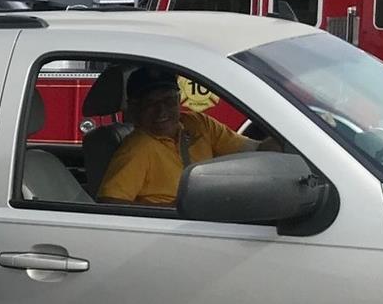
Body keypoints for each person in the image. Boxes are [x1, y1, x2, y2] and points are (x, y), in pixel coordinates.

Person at [96, 67, 264, 206]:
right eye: (151, 103)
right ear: (134, 108)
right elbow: (110, 202)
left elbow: (255, 150)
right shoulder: (138, 148)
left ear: (178, 100)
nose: (162, 111)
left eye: (168, 100)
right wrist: (176, 209)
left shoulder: (199, 123)